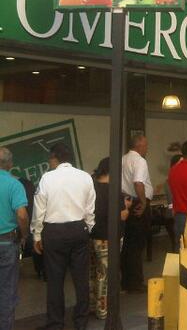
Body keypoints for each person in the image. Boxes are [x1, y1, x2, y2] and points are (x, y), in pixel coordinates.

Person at [31, 143, 95, 330]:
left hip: (54, 233)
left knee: (55, 280)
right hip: (79, 229)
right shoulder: (85, 177)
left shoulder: (47, 178)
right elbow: (90, 208)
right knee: (81, 279)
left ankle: (56, 323)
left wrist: (37, 235)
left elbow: (39, 209)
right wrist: (87, 228)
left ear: (54, 158)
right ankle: (81, 322)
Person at [89, 157, 131, 320]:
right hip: (108, 238)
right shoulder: (113, 191)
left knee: (92, 273)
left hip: (92, 236)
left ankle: (92, 305)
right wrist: (126, 209)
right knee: (104, 275)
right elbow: (120, 216)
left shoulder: (91, 186)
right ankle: (103, 310)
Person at [0, 147, 28, 330]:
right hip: (7, 243)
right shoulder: (14, 185)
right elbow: (22, 215)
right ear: (10, 164)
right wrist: (24, 235)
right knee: (7, 291)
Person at [121, 134, 153, 293]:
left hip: (126, 202)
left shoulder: (123, 159)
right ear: (139, 145)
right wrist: (143, 202)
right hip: (138, 204)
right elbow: (138, 182)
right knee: (137, 245)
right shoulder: (140, 161)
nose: (147, 148)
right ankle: (136, 283)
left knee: (127, 244)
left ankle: (126, 280)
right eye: (146, 145)